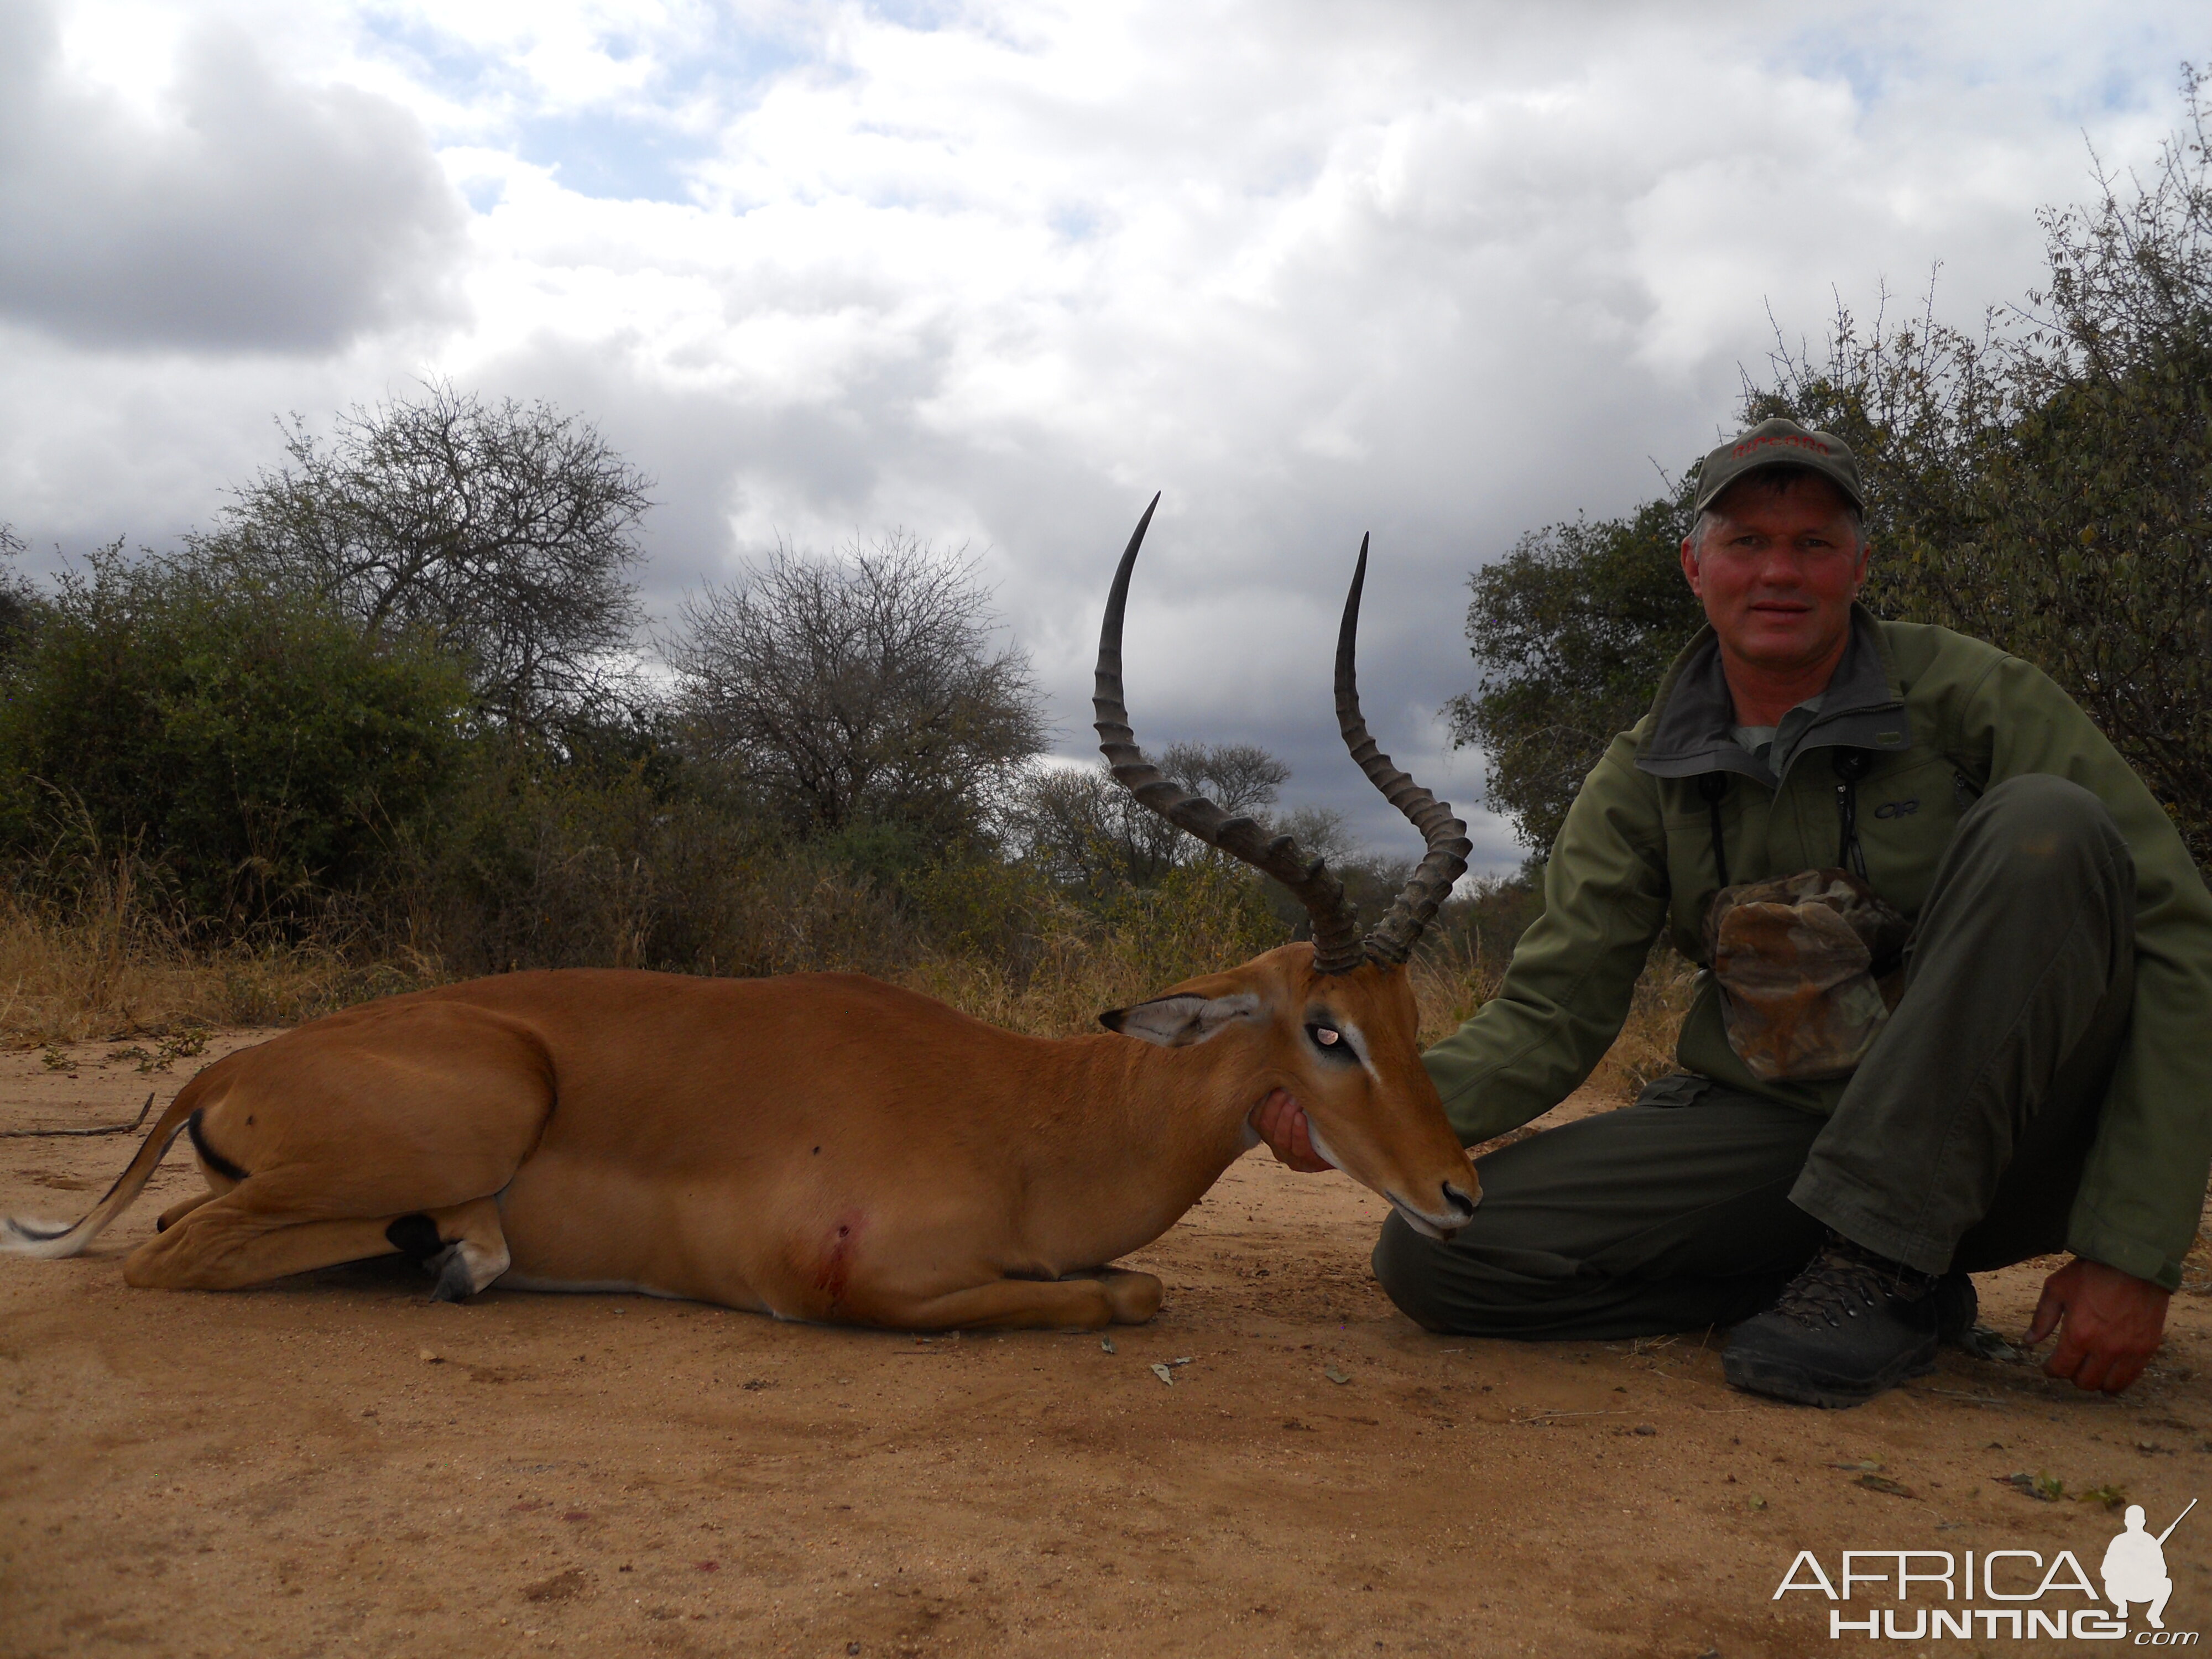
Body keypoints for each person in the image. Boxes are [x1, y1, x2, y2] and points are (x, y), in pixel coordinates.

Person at [1251, 416, 2212, 1408]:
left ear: (1860, 566)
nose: (1779, 573)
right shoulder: (1640, 772)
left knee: (2050, 825)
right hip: (1779, 1126)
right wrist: (1349, 1107)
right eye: (1746, 542)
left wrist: (2132, 1249)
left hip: (2005, 1143)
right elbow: (1549, 1018)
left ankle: (1881, 1264)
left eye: (1814, 544)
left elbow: (2177, 937)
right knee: (1438, 1260)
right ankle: (1869, 1281)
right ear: (1694, 567)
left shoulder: (1977, 697)